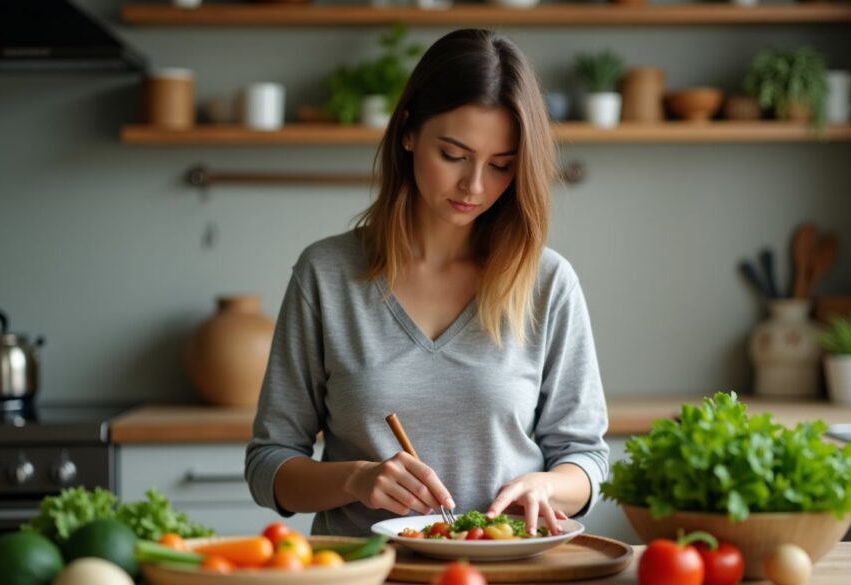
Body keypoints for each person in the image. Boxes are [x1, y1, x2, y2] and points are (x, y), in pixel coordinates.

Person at [245, 28, 609, 538]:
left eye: (501, 166)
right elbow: (268, 466)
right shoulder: (326, 275)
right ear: (409, 133)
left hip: (505, 572)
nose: (475, 186)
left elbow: (586, 458)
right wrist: (355, 480)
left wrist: (548, 486)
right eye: (454, 156)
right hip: (367, 574)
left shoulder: (548, 282)